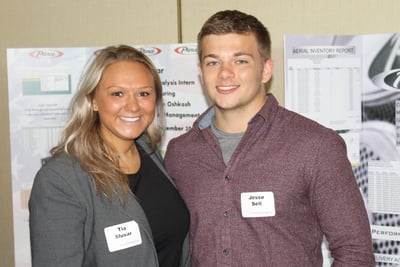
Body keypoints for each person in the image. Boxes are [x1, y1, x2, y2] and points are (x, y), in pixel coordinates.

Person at [164, 10, 375, 266]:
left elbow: (355, 252)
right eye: (213, 62)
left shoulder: (316, 146)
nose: (225, 73)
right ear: (201, 71)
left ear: (266, 70)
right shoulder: (180, 153)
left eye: (240, 61)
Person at [29, 45, 190, 267]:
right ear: (93, 100)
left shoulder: (149, 152)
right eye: (117, 94)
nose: (133, 106)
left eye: (143, 93)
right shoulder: (60, 180)